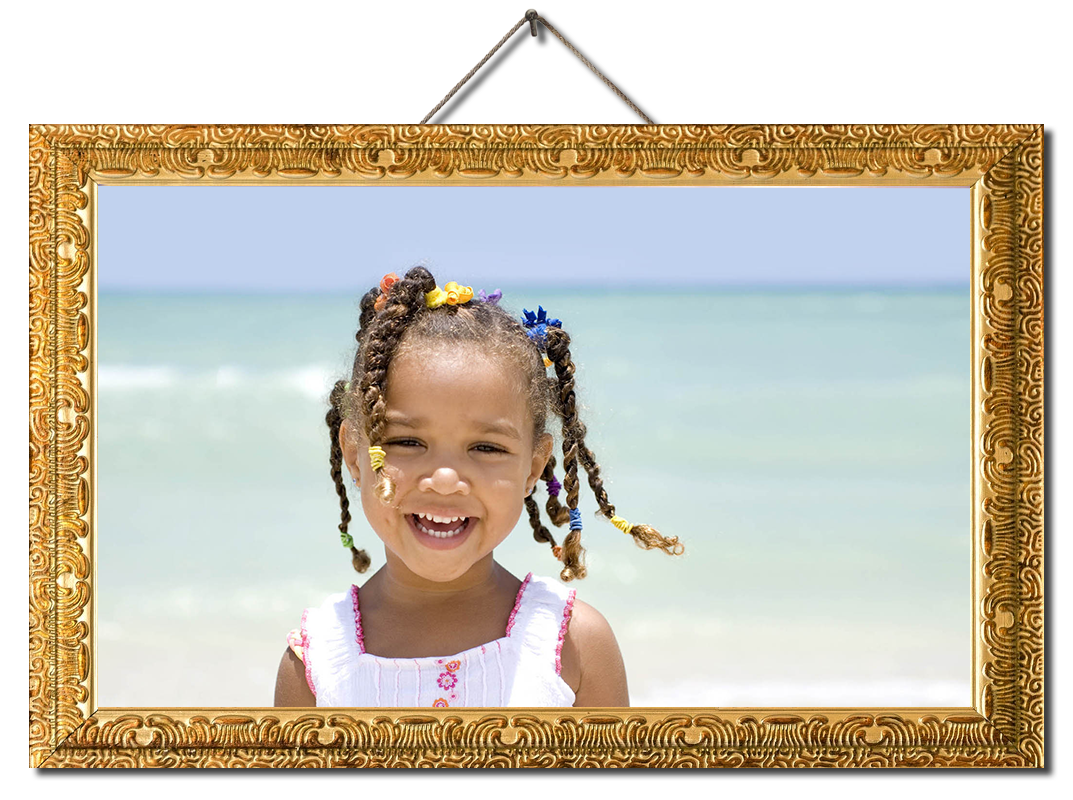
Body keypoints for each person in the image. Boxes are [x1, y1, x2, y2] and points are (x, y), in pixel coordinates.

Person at [274, 266, 683, 708]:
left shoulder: (572, 646)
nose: (446, 480)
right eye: (407, 442)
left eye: (486, 448)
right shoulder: (315, 663)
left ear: (533, 466)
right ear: (356, 454)